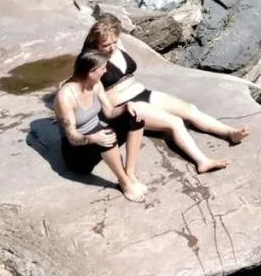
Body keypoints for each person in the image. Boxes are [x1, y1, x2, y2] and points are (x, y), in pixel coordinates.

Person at [85, 15, 247, 174]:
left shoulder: (117, 43)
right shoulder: (92, 62)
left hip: (142, 92)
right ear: (95, 44)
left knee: (190, 110)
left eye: (114, 41)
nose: (112, 47)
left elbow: (111, 27)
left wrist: (112, 34)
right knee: (175, 123)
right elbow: (90, 94)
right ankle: (202, 162)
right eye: (106, 45)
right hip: (127, 106)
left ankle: (230, 133)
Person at [53, 47, 148, 201]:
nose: (105, 72)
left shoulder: (96, 84)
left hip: (97, 135)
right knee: (106, 137)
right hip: (77, 153)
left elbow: (109, 112)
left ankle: (130, 173)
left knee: (136, 117)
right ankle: (125, 183)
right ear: (91, 72)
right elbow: (72, 137)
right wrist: (93, 138)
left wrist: (126, 107)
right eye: (102, 68)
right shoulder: (65, 97)